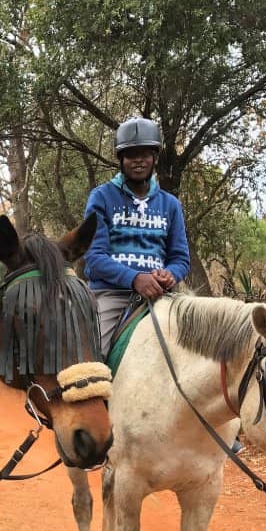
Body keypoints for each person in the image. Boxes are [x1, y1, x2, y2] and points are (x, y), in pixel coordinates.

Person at [83, 117, 191, 357]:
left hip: (162, 295)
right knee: (94, 354)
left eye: (145, 154)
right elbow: (94, 256)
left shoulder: (170, 204)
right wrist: (134, 279)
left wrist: (170, 274)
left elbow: (180, 258)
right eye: (131, 155)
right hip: (112, 295)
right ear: (121, 159)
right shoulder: (101, 197)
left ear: (154, 157)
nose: (138, 160)